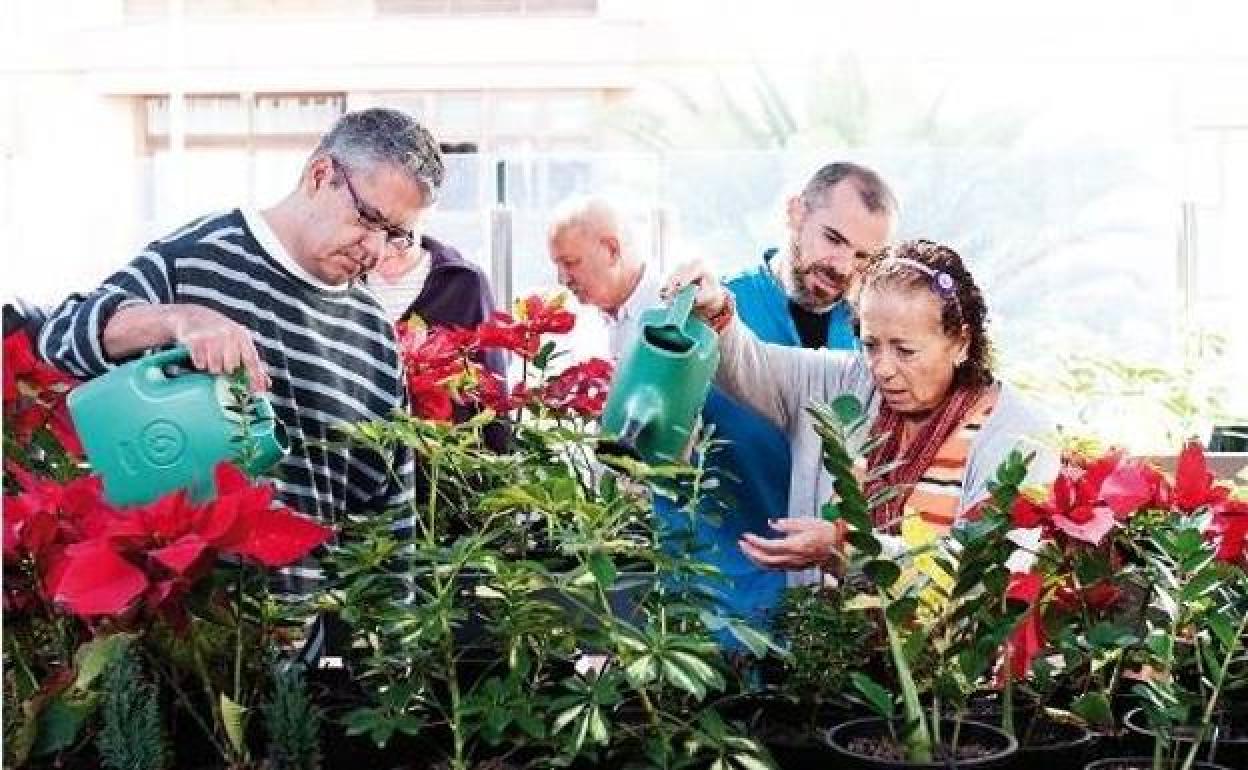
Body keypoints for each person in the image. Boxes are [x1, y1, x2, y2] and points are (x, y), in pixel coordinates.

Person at [36, 107, 444, 542]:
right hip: (199, 583)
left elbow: (392, 523)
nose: (376, 250)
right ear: (320, 175)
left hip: (322, 587)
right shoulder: (192, 260)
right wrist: (178, 319)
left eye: (395, 235)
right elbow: (60, 338)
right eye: (368, 218)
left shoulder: (374, 332)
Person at [663, 239, 1060, 581]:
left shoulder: (1018, 437)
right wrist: (713, 309)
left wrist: (845, 549)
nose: (882, 368)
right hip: (827, 644)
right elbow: (753, 367)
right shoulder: (848, 382)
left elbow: (982, 575)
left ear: (961, 343)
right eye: (870, 345)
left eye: (905, 350)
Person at [678, 163, 898, 633]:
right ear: (796, 212)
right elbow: (648, 449)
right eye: (833, 239)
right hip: (716, 597)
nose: (843, 267)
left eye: (864, 257)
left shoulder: (871, 338)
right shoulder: (716, 308)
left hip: (825, 611)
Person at [547, 195, 660, 362]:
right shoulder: (576, 324)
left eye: (570, 263)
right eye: (557, 266)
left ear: (612, 250)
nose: (563, 280)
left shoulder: (676, 312)